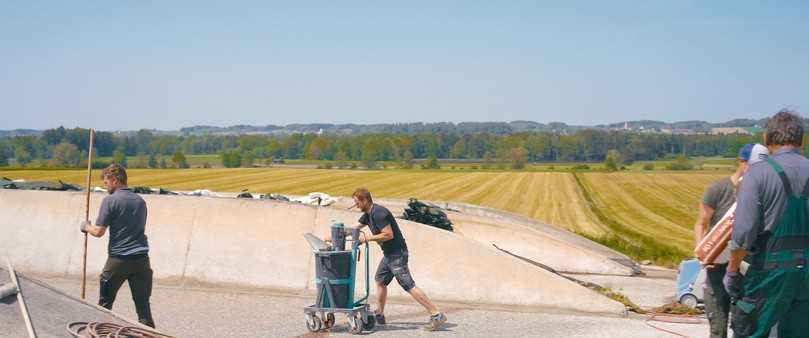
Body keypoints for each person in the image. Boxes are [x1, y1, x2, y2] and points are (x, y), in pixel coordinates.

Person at [725, 110, 809, 337]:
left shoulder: (758, 174)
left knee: (750, 331)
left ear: (767, 139)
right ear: (800, 140)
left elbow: (743, 232)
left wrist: (732, 272)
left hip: (770, 272)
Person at [695, 143, 768, 338]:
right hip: (717, 267)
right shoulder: (718, 189)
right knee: (717, 328)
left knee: (743, 327)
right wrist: (703, 253)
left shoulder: (759, 193)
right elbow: (701, 223)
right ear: (741, 162)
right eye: (751, 166)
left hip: (745, 269)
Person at [350, 187, 447, 331]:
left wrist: (367, 238)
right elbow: (354, 228)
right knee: (380, 280)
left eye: (357, 202)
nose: (356, 206)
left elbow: (388, 235)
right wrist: (334, 234)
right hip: (389, 255)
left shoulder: (379, 213)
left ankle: (436, 314)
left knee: (408, 284)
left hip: (397, 253)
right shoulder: (368, 215)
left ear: (364, 200)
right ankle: (380, 314)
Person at [80, 164, 155, 328]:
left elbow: (99, 232)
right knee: (143, 309)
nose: (104, 186)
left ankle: (100, 332)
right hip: (142, 261)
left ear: (114, 180)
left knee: (104, 306)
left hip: (119, 260)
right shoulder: (140, 201)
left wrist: (85, 226)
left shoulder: (110, 201)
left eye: (106, 183)